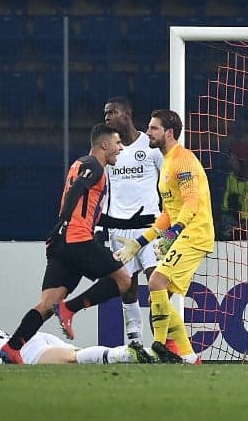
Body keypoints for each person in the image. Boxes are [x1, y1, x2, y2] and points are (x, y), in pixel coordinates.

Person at [0, 124, 134, 364]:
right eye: (117, 143)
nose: (120, 147)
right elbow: (78, 192)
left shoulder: (79, 163)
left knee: (47, 304)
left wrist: (132, 220)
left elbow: (89, 210)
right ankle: (70, 308)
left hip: (60, 243)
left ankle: (11, 348)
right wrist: (65, 220)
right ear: (104, 145)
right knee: (124, 281)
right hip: (77, 239)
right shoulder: (94, 166)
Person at [115, 109, 214, 365]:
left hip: (195, 233)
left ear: (168, 132)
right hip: (185, 232)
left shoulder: (183, 160)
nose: (148, 132)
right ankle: (190, 357)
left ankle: (158, 344)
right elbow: (168, 213)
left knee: (157, 282)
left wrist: (175, 233)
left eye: (154, 128)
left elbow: (191, 202)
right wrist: (140, 242)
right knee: (159, 296)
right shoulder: (167, 161)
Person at [100, 96, 162, 344]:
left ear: (127, 114)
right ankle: (135, 341)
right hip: (118, 229)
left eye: (112, 112)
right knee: (127, 287)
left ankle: (160, 342)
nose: (107, 117)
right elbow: (101, 191)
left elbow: (167, 184)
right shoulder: (108, 149)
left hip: (150, 228)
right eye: (105, 113)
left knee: (157, 283)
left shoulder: (150, 145)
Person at [0, 313, 154, 365]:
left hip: (24, 351)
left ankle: (127, 353)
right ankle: (149, 353)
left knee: (74, 358)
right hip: (34, 338)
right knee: (80, 357)